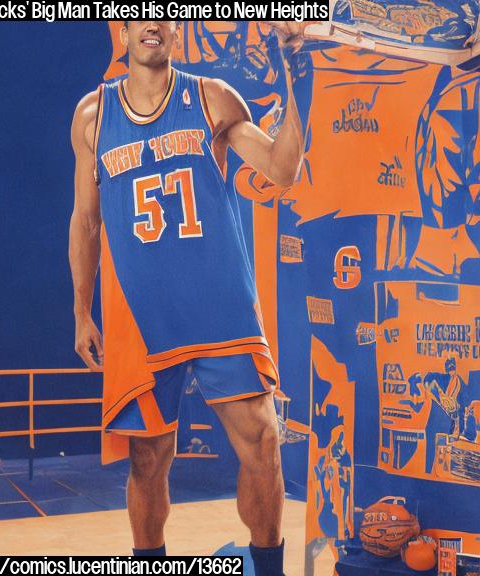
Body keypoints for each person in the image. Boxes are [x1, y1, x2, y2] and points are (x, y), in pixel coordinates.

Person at [68, 21, 306, 575]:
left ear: (175, 29)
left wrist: (299, 77)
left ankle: (268, 566)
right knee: (148, 459)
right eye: (140, 16)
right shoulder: (92, 116)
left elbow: (283, 169)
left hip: (218, 304)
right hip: (142, 317)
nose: (152, 24)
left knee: (264, 443)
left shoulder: (212, 98)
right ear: (121, 31)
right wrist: (82, 310)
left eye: (165, 15)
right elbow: (85, 220)